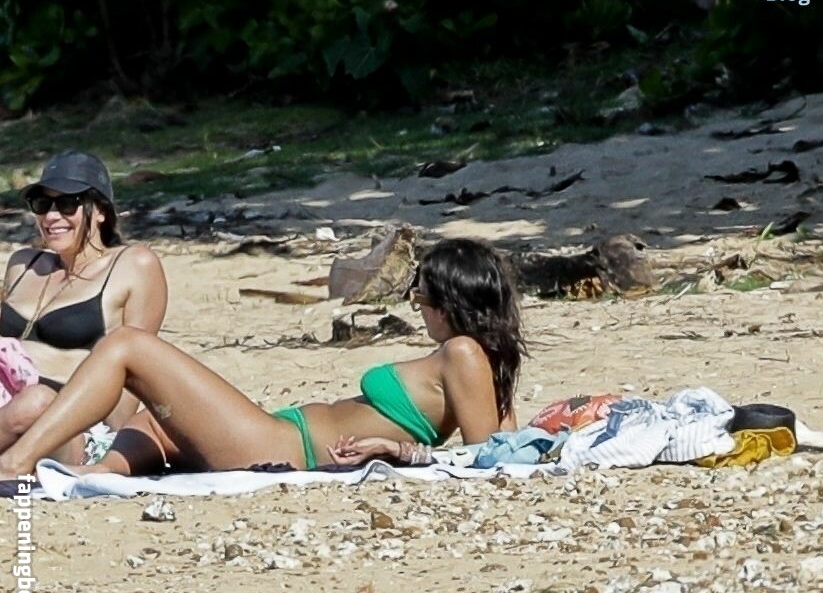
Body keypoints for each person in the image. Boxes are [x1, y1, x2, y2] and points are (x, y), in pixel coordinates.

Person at [0, 238, 525, 478]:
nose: (417, 304)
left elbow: (483, 462)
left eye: (423, 294)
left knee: (126, 346)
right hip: (279, 431)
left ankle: (18, 462)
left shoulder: (462, 353)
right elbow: (509, 448)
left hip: (281, 446)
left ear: (452, 301)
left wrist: (399, 450)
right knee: (154, 420)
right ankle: (93, 476)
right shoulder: (476, 361)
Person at [0, 151, 167, 464]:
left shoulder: (133, 265)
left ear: (100, 210)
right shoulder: (23, 264)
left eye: (67, 203)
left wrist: (42, 362)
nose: (51, 216)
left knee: (37, 401)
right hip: (6, 412)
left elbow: (131, 383)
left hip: (73, 430)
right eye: (42, 204)